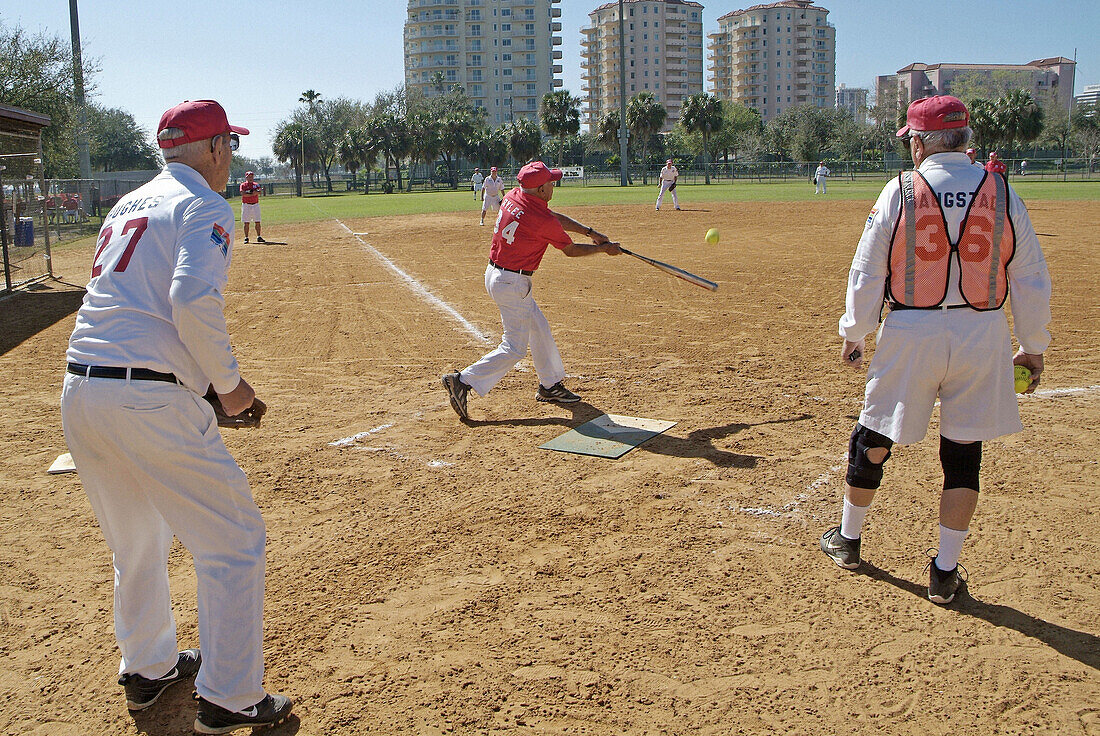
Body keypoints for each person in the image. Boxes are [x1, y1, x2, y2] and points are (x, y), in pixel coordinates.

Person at [60, 99, 292, 731]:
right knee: (235, 542)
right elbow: (190, 299)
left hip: (82, 390)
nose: (232, 158)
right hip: (148, 399)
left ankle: (148, 666)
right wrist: (231, 387)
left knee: (136, 542)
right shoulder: (204, 206)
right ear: (213, 149)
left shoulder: (128, 201)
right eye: (230, 146)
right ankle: (231, 696)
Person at [818, 95, 1052, 606]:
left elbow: (867, 272)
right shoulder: (1001, 190)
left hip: (911, 332)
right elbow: (1029, 276)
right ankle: (944, 574)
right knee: (964, 455)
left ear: (920, 141)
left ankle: (849, 540)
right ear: (965, 140)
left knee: (874, 434)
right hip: (983, 334)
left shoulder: (900, 189)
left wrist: (855, 331)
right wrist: (1032, 347)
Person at [442, 161, 621, 419]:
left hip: (497, 274)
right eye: (550, 182)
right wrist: (603, 249)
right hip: (512, 283)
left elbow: (551, 217)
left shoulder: (515, 195)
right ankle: (463, 381)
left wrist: (589, 231)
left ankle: (550, 385)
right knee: (514, 347)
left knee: (538, 328)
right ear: (539, 190)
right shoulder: (540, 219)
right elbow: (570, 250)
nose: (554, 184)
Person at [239, 170, 265, 243]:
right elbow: (243, 194)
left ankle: (259, 236)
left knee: (257, 221)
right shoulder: (243, 185)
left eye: (251, 176)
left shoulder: (256, 184)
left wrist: (253, 193)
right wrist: (253, 194)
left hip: (255, 204)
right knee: (246, 222)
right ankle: (246, 237)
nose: (250, 178)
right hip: (246, 205)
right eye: (249, 177)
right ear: (246, 177)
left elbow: (259, 192)